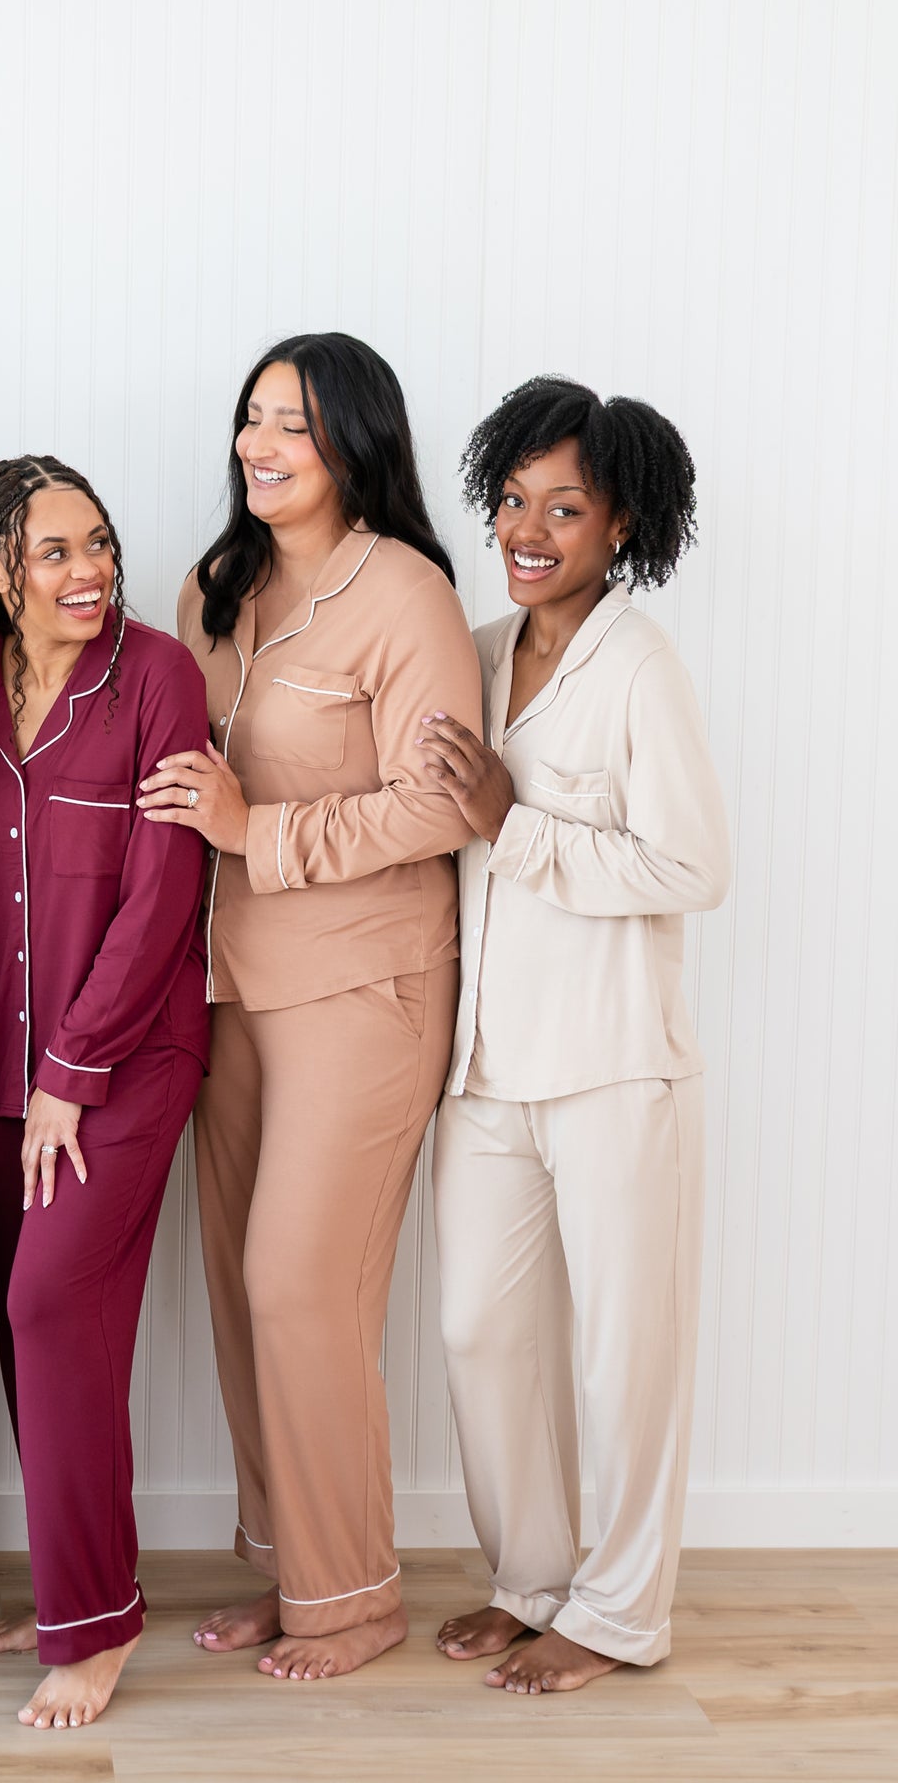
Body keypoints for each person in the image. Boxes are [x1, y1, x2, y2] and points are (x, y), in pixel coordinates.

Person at [140, 331, 481, 1680]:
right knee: (239, 1284)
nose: (262, 445)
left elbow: (443, 803)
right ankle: (296, 1574)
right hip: (227, 989)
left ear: (357, 441)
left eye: (294, 422)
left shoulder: (408, 598)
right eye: (252, 419)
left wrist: (255, 830)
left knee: (302, 1283)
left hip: (364, 983)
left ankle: (356, 1598)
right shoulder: (212, 587)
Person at [422, 375, 729, 1694]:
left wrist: (515, 822)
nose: (528, 528)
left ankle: (616, 1615)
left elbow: (694, 867)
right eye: (512, 500)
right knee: (479, 1333)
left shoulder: (638, 665)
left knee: (622, 1356)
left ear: (622, 529)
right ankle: (535, 1582)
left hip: (613, 1070)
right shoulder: (479, 650)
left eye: (566, 507)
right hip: (486, 1068)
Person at [0, 455, 210, 1730]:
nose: (90, 570)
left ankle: (94, 1626)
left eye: (98, 541)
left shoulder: (159, 676)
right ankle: (80, 1587)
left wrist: (74, 1069)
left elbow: (167, 894)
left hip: (124, 1065)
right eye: (54, 551)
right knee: (47, 1331)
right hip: (6, 1069)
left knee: (48, 1303)